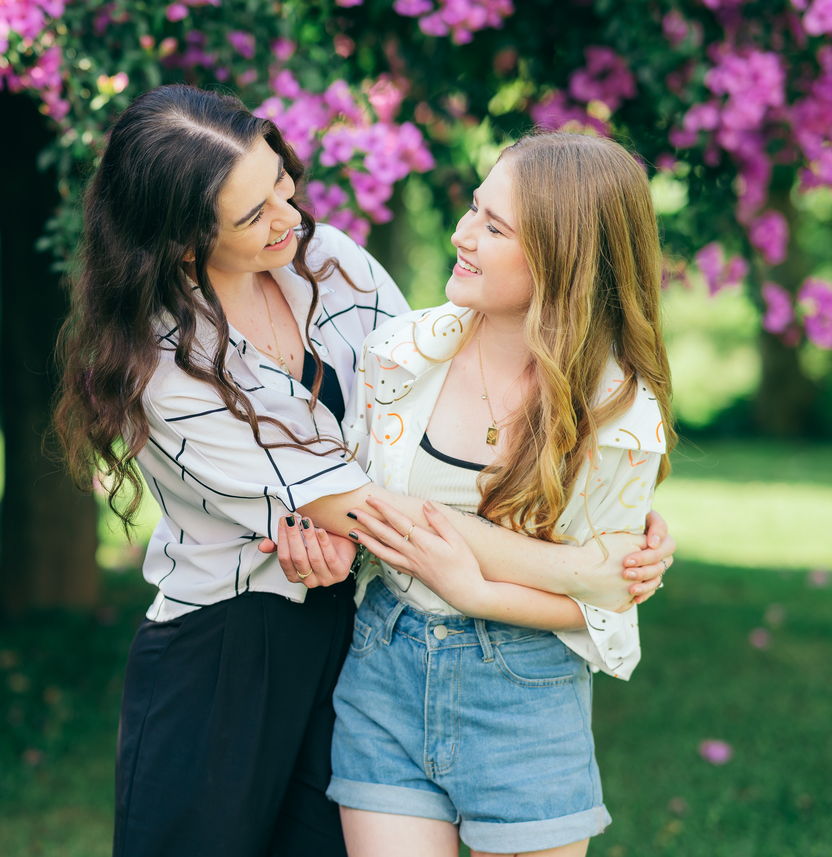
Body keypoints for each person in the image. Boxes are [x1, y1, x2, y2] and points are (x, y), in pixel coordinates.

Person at [54, 86, 675, 857]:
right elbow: (372, 511)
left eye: (282, 183)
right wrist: (591, 567)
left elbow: (409, 407)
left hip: (361, 628)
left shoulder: (326, 261)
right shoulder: (165, 364)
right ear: (184, 242)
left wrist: (616, 530)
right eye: (252, 216)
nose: (288, 218)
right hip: (230, 644)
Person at [276, 131, 673, 857]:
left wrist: (476, 587)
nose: (462, 235)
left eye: (494, 227)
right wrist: (325, 536)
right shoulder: (399, 355)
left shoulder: (618, 414)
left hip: (525, 695)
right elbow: (354, 502)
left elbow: (607, 604)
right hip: (385, 674)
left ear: (564, 255)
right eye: (473, 208)